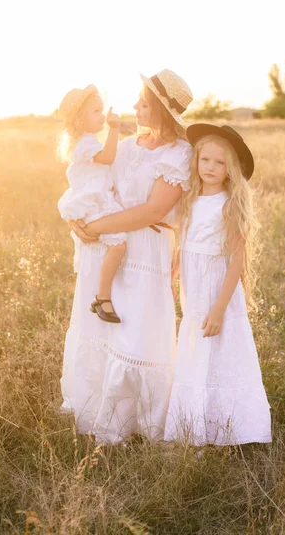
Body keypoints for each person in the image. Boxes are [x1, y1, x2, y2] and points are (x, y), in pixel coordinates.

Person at [61, 69, 194, 444]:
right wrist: (78, 219)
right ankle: (98, 414)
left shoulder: (179, 154)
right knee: (103, 331)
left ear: (164, 113)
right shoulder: (129, 145)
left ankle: (140, 421)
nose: (135, 106)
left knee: (137, 334)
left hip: (145, 252)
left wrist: (99, 226)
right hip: (106, 250)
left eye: (144, 102)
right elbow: (93, 181)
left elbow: (153, 211)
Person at [164, 124, 272, 446]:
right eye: (205, 159)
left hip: (216, 291)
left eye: (219, 163)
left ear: (230, 170)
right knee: (196, 354)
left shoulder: (228, 203)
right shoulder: (190, 198)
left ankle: (230, 428)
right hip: (193, 291)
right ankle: (193, 428)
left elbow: (236, 260)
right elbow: (187, 244)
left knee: (221, 354)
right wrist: (173, 271)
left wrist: (220, 308)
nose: (210, 167)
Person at [57, 84, 126, 323]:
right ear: (79, 119)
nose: (102, 116)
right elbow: (108, 157)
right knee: (118, 246)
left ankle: (103, 294)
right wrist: (115, 129)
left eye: (102, 110)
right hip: (94, 204)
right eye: (96, 111)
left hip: (94, 200)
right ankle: (102, 296)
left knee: (113, 247)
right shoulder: (87, 142)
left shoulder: (85, 141)